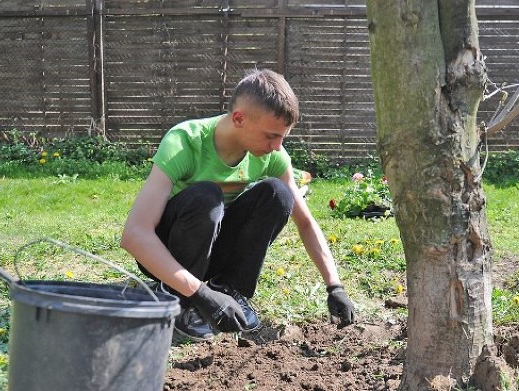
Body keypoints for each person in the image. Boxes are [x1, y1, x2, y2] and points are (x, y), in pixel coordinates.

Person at [121, 69, 355, 342]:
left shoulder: (273, 155)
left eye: (282, 137)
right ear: (239, 118)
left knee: (277, 194)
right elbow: (135, 234)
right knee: (207, 197)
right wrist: (198, 292)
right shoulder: (185, 142)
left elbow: (305, 222)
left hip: (213, 250)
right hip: (169, 251)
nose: (277, 146)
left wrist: (334, 286)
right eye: (270, 136)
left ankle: (228, 289)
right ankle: (179, 297)